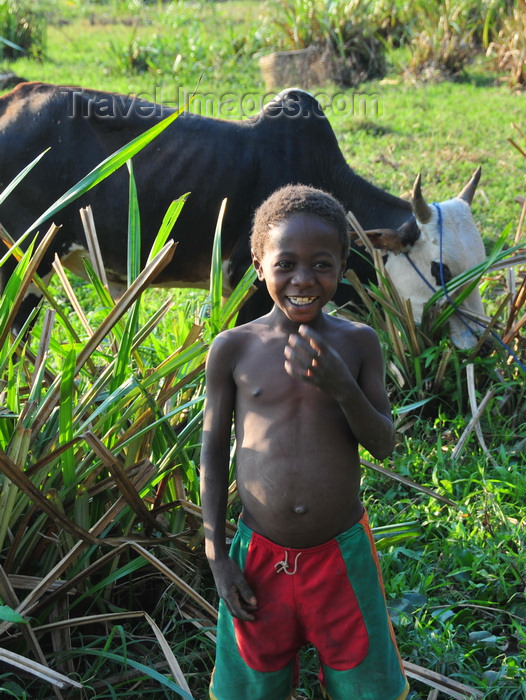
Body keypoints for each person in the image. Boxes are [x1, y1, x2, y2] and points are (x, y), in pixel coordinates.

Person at [200, 184, 409, 700]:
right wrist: (217, 554)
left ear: (342, 264)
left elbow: (383, 444)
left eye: (321, 264)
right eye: (286, 263)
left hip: (342, 556)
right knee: (251, 687)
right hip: (257, 558)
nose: (303, 280)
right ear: (258, 263)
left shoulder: (358, 343)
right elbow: (211, 453)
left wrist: (340, 385)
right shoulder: (234, 349)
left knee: (365, 684)